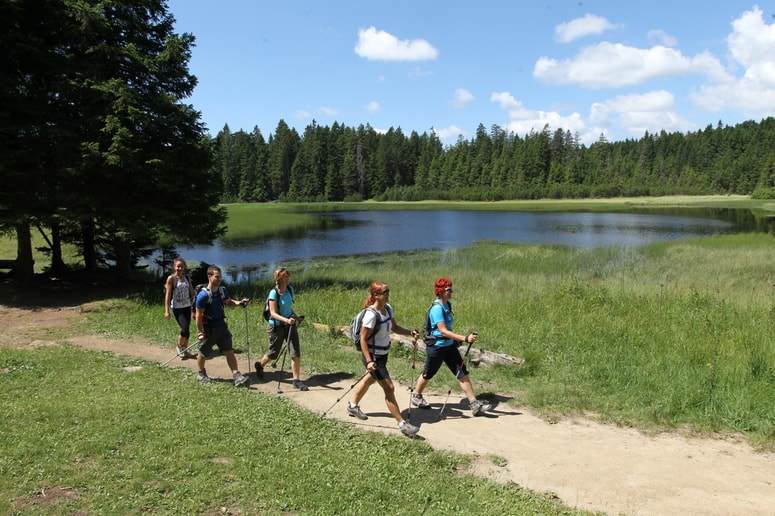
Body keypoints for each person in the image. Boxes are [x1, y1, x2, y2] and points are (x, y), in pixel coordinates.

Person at [346, 281, 420, 437]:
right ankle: (402, 424)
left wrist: (410, 333)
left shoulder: (387, 309)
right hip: (373, 357)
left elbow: (395, 328)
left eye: (388, 291)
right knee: (389, 388)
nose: (388, 294)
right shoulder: (371, 315)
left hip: (383, 355)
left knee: (369, 379)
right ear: (376, 295)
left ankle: (352, 405)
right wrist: (369, 361)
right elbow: (363, 339)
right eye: (385, 292)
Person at [411, 277, 491, 416]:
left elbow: (448, 327)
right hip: (437, 347)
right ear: (441, 291)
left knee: (462, 372)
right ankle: (416, 395)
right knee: (429, 373)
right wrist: (464, 338)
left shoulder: (447, 304)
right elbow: (443, 331)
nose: (451, 291)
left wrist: (455, 340)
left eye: (451, 288)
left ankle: (474, 403)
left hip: (449, 346)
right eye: (448, 289)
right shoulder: (436, 308)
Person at [194, 264, 250, 387]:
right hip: (209, 329)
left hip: (221, 326)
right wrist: (200, 332)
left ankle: (236, 376)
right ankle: (201, 373)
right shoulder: (203, 295)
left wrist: (240, 303)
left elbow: (228, 302)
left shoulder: (222, 290)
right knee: (203, 352)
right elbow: (198, 315)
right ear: (209, 277)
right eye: (217, 277)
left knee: (229, 351)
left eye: (220, 277)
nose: (220, 279)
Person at [254, 267, 308, 391]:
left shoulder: (290, 290)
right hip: (276, 326)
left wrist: (296, 317)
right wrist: (286, 320)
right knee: (273, 353)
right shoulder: (273, 293)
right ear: (279, 278)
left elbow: (288, 309)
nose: (288, 279)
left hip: (290, 325)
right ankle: (260, 365)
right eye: (285, 277)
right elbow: (273, 313)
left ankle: (296, 380)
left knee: (295, 351)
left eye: (288, 276)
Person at [164, 258, 197, 359]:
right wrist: (166, 311)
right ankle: (179, 346)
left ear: (184, 267)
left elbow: (192, 292)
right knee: (185, 328)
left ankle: (185, 349)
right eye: (178, 266)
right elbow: (168, 295)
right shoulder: (171, 278)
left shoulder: (186, 277)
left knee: (188, 331)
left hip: (187, 306)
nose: (179, 268)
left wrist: (199, 298)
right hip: (177, 308)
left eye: (181, 266)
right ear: (174, 267)